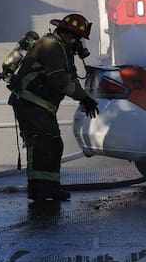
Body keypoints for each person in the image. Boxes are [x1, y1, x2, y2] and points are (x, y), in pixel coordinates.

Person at [8, 13, 100, 203]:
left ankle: (51, 187)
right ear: (66, 34)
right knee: (41, 143)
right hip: (30, 102)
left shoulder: (63, 49)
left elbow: (71, 79)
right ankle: (37, 190)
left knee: (53, 144)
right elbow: (59, 81)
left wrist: (85, 97)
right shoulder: (51, 47)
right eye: (76, 38)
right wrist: (84, 98)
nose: (78, 43)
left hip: (40, 106)